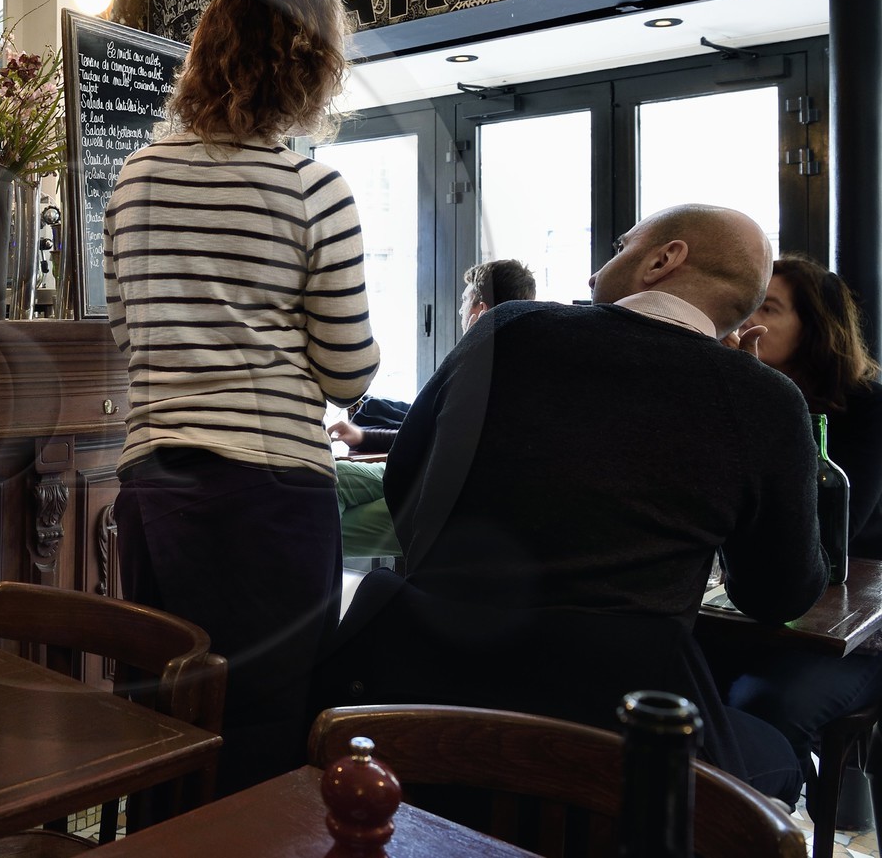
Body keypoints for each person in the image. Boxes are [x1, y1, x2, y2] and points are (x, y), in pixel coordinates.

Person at [314, 204, 826, 805]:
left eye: (620, 246)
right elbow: (778, 596)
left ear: (664, 260)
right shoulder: (766, 400)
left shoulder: (512, 329)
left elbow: (409, 483)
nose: (593, 275)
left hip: (427, 704)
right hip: (619, 740)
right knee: (776, 755)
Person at [103, 0, 380, 796]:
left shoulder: (135, 177)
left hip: (155, 485)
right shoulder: (312, 188)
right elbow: (347, 371)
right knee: (261, 736)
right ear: (312, 67)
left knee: (161, 723)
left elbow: (130, 334)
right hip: (270, 500)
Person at [705, 255, 882, 793]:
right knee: (664, 682)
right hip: (758, 617)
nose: (744, 320)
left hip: (851, 634)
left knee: (761, 705)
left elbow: (826, 541)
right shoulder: (737, 395)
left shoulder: (866, 407)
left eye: (768, 307)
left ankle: (765, 814)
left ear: (815, 327)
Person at [332, 259, 536, 560]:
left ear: (479, 312)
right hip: (419, 473)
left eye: (465, 300)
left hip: (444, 499)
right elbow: (430, 435)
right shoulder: (493, 363)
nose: (459, 310)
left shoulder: (485, 371)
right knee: (330, 477)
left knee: (324, 521)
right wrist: (364, 436)